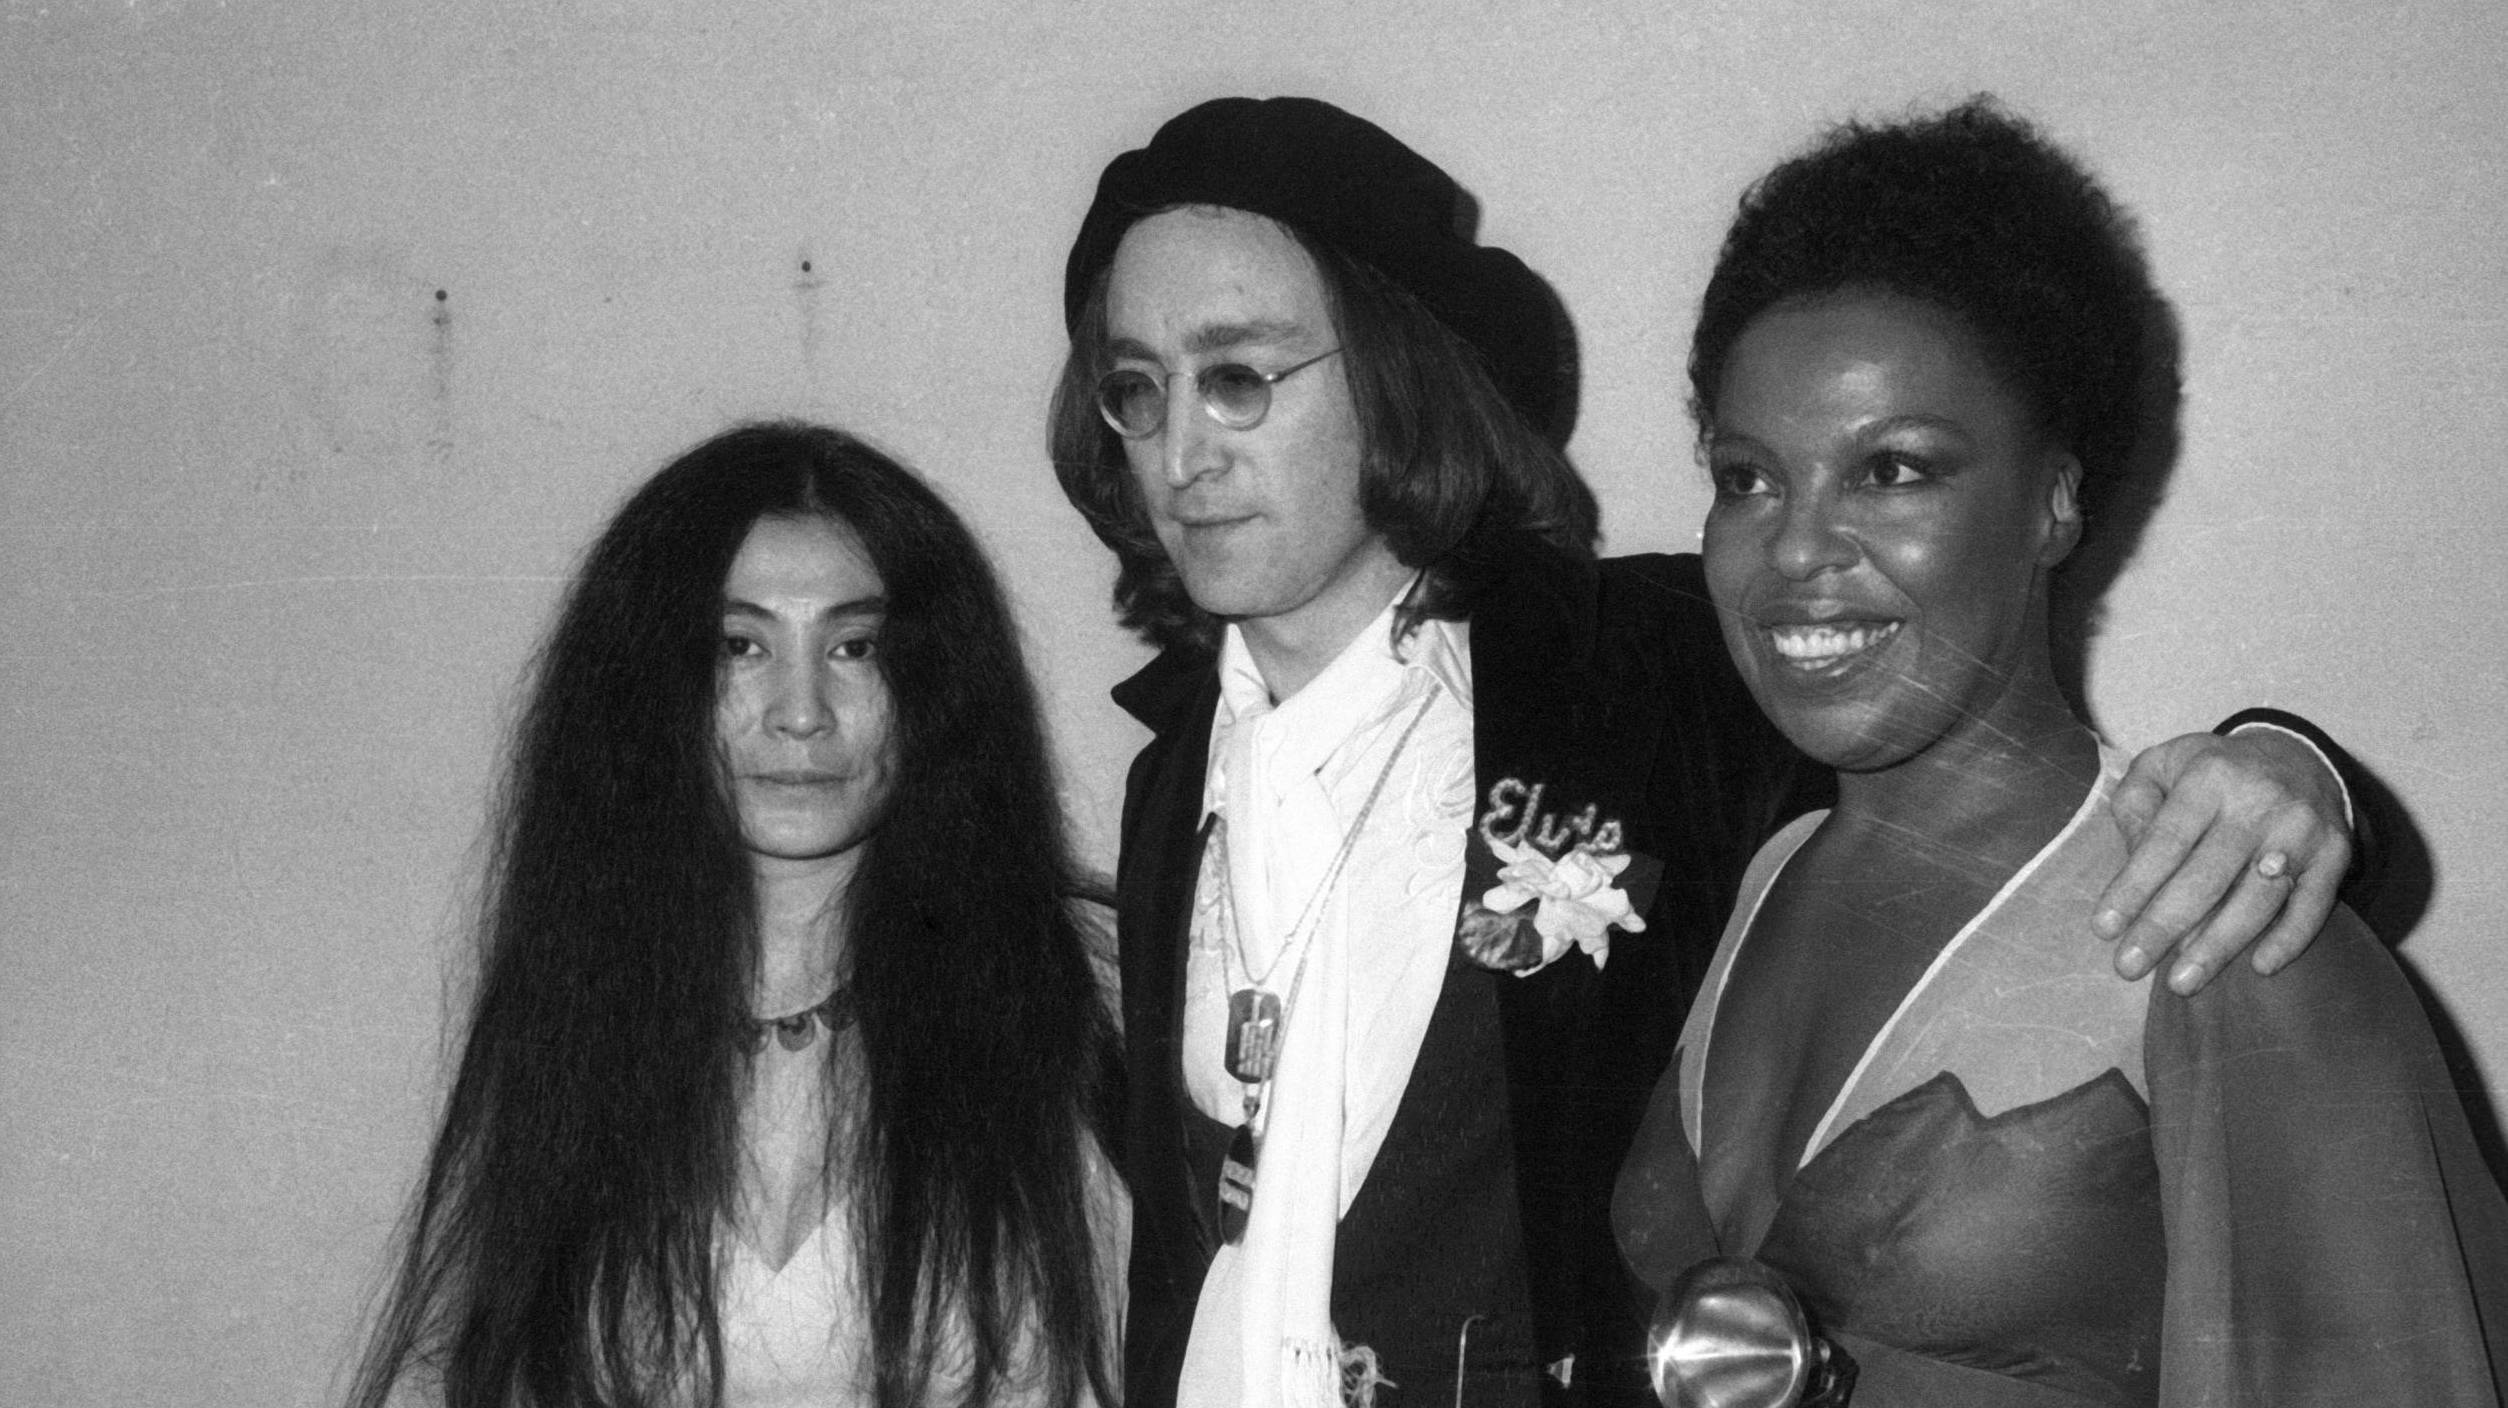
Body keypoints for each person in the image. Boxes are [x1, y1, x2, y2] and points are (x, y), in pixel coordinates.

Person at [1048, 97, 2369, 1408]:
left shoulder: (1644, 667)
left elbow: (1984, 765)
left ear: (1398, 373)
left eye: (1237, 377)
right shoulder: (1175, 777)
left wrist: (2292, 762)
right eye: (1134, 389)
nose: (1180, 452)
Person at [1611, 100, 2508, 1404]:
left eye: (1895, 470)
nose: (1795, 553)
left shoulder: (2218, 915)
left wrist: (2295, 764)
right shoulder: (1769, 865)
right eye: (1748, 476)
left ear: (2056, 500)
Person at [349, 422, 1126, 1408]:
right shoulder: (577, 1005)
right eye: (740, 645)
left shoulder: (1075, 992)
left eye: (856, 645)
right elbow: (451, 1370)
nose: (799, 710)